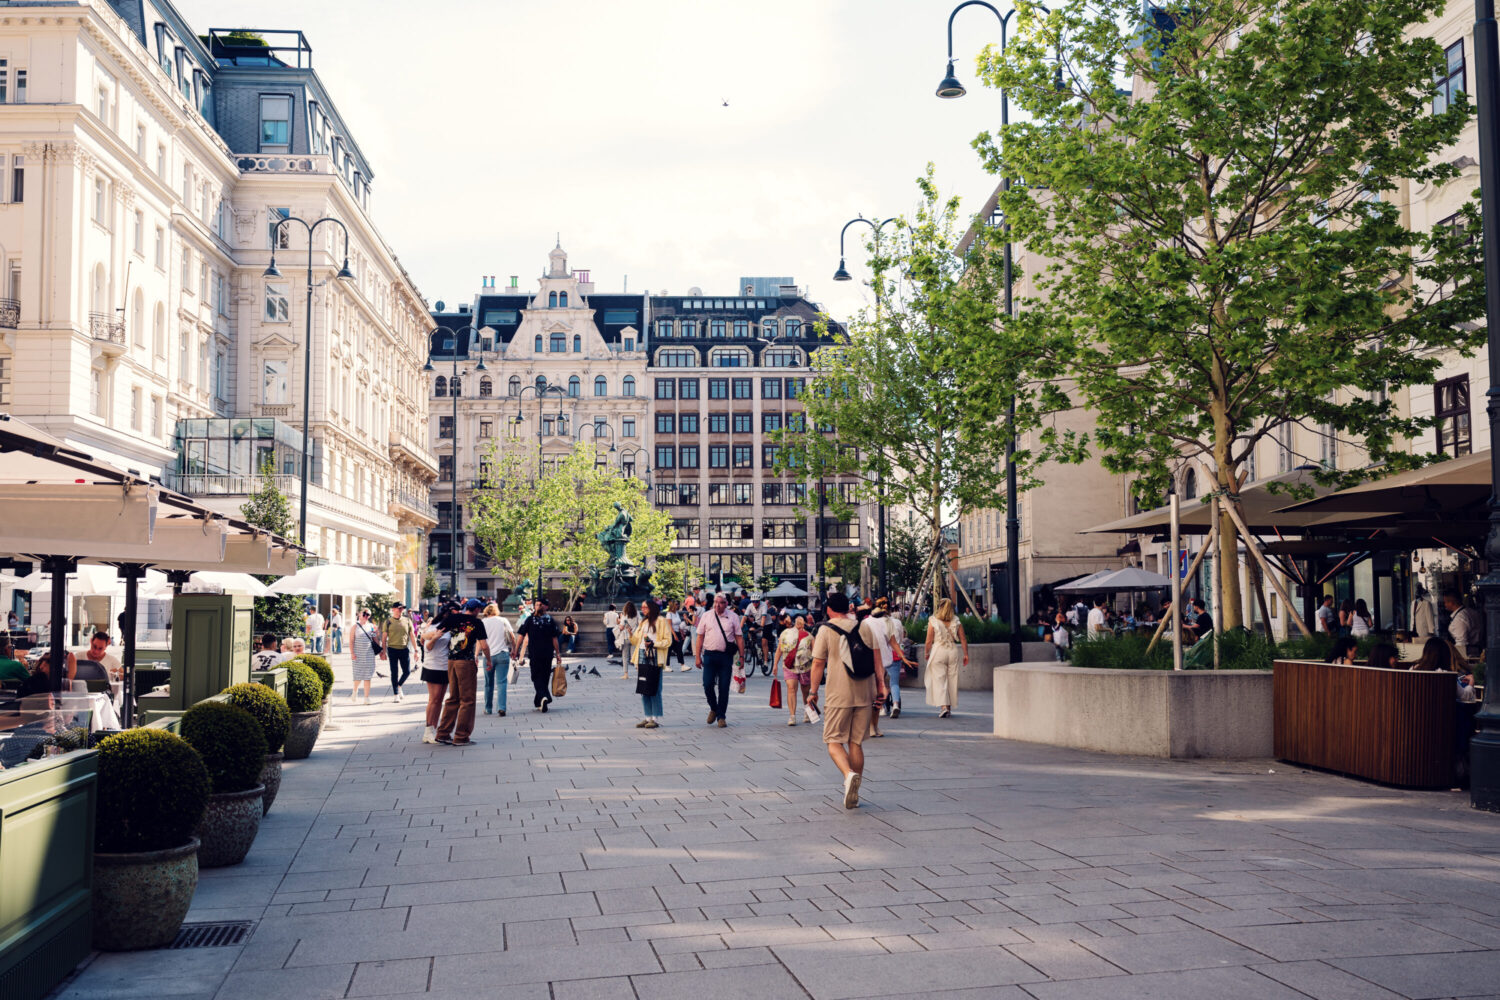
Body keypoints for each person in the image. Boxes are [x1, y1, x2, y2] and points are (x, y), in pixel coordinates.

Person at [806, 592, 889, 809]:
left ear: (830, 610)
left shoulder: (825, 630)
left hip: (837, 694)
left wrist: (813, 691)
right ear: (849, 608)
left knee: (833, 741)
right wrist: (881, 686)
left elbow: (817, 664)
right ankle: (855, 791)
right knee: (856, 743)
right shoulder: (865, 627)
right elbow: (877, 658)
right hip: (864, 692)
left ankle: (848, 775)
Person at [435, 598, 489, 745]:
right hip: (465, 662)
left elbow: (437, 631)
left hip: (451, 661)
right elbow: (483, 645)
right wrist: (489, 660)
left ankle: (443, 733)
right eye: (480, 609)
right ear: (476, 609)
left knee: (453, 698)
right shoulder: (477, 622)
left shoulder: (453, 618)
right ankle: (461, 736)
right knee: (468, 700)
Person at [694, 591, 744, 728]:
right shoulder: (706, 616)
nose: (717, 605)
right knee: (707, 684)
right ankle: (714, 707)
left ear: (726, 604)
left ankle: (721, 716)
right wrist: (697, 656)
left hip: (725, 656)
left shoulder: (733, 617)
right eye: (716, 602)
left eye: (721, 603)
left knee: (723, 687)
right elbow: (699, 637)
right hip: (709, 655)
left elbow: (739, 637)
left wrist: (741, 656)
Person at [516, 597, 563, 711]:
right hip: (547, 653)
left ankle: (543, 697)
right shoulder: (549, 620)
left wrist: (516, 649)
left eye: (538, 604)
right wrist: (558, 654)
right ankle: (540, 702)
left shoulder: (530, 619)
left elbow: (521, 635)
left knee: (536, 677)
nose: (537, 606)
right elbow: (554, 638)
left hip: (535, 653)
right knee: (545, 676)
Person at [632, 598, 672, 728]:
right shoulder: (643, 622)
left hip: (655, 656)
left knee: (654, 688)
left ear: (651, 608)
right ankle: (647, 716)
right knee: (643, 687)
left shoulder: (661, 621)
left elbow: (668, 641)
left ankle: (655, 718)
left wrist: (654, 644)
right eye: (642, 607)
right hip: (642, 655)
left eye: (645, 607)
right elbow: (636, 641)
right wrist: (628, 632)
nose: (642, 609)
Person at [924, 598, 967, 717]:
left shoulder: (933, 620)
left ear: (940, 607)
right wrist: (966, 654)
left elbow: (928, 641)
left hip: (939, 650)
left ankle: (944, 707)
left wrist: (926, 653)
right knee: (952, 679)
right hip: (952, 650)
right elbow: (963, 639)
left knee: (940, 679)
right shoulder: (956, 620)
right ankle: (949, 707)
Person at [872, 598, 912, 721]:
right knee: (894, 682)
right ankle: (895, 704)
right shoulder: (897, 622)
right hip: (895, 654)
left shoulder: (874, 622)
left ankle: (882, 706)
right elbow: (899, 639)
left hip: (880, 654)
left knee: (880, 682)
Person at [419, 613, 452, 744]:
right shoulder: (434, 628)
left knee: (439, 700)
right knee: (434, 699)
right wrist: (434, 638)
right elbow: (427, 647)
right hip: (433, 666)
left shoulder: (449, 628)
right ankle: (427, 731)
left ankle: (434, 728)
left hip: (444, 666)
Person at [480, 603, 516, 717]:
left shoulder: (483, 622)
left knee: (488, 684)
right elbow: (512, 636)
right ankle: (501, 707)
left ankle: (488, 708)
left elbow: (479, 641)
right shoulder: (503, 620)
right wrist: (514, 649)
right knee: (502, 682)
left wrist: (476, 655)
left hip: (488, 656)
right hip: (502, 654)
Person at [776, 614, 811, 725]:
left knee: (806, 692)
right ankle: (792, 716)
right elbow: (779, 650)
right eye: (797, 621)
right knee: (791, 688)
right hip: (789, 666)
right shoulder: (785, 633)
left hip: (805, 667)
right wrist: (775, 665)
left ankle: (807, 712)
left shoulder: (809, 636)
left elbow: (815, 653)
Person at [350, 609, 385, 704]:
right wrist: (352, 653)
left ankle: (366, 698)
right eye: (364, 614)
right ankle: (355, 690)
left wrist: (380, 651)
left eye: (368, 614)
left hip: (369, 654)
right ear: (359, 614)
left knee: (368, 676)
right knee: (358, 676)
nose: (366, 616)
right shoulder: (354, 627)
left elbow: (375, 639)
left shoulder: (372, 626)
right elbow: (351, 641)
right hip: (358, 654)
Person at [385, 604, 413, 703]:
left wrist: (416, 651)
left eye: (402, 608)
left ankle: (399, 685)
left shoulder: (407, 620)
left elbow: (412, 635)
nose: (401, 610)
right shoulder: (388, 621)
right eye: (399, 608)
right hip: (392, 649)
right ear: (393, 609)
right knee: (394, 673)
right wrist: (383, 651)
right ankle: (396, 694)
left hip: (404, 649)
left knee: (407, 671)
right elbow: (384, 637)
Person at [1444, 590, 1481, 658]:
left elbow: (1461, 643)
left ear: (1451, 603)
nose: (1445, 605)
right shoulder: (1471, 612)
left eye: (1445, 602)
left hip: (1467, 655)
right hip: (1477, 651)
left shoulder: (1459, 619)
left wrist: (1458, 660)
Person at [616, 601, 640, 680]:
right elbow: (640, 624)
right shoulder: (637, 614)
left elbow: (621, 627)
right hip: (634, 637)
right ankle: (639, 671)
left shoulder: (624, 615)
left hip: (626, 637)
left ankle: (626, 674)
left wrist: (619, 623)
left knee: (625, 656)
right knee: (634, 655)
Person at [666, 600, 687, 668]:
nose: (677, 605)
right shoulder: (669, 614)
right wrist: (674, 635)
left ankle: (682, 665)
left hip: (677, 632)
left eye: (677, 604)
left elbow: (678, 624)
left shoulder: (676, 613)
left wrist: (681, 632)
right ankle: (667, 665)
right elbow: (669, 625)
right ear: (673, 605)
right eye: (676, 604)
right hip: (671, 633)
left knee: (679, 649)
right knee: (669, 650)